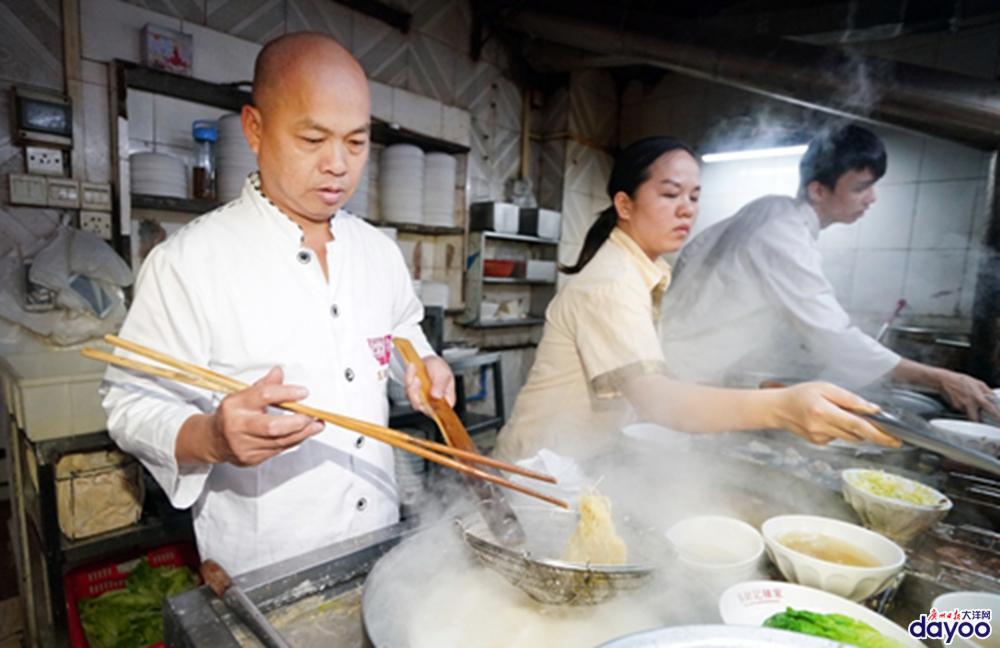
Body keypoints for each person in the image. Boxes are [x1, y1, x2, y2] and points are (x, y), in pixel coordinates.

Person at [102, 33, 455, 575]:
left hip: (379, 535)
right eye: (313, 139)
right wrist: (212, 437)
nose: (338, 164)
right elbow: (129, 402)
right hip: (268, 562)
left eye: (356, 143)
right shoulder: (189, 261)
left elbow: (403, 330)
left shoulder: (378, 253)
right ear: (255, 129)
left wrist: (422, 365)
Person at [493, 136, 898, 462]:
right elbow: (658, 401)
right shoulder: (611, 282)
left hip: (572, 464)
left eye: (694, 196)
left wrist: (760, 391)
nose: (687, 210)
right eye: (671, 195)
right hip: (534, 474)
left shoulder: (639, 271)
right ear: (624, 204)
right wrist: (782, 406)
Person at [660, 124, 997, 420]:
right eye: (860, 187)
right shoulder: (783, 233)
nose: (872, 198)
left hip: (677, 367)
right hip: (684, 378)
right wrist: (940, 378)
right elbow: (835, 339)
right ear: (818, 190)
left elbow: (694, 257)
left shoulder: (769, 208)